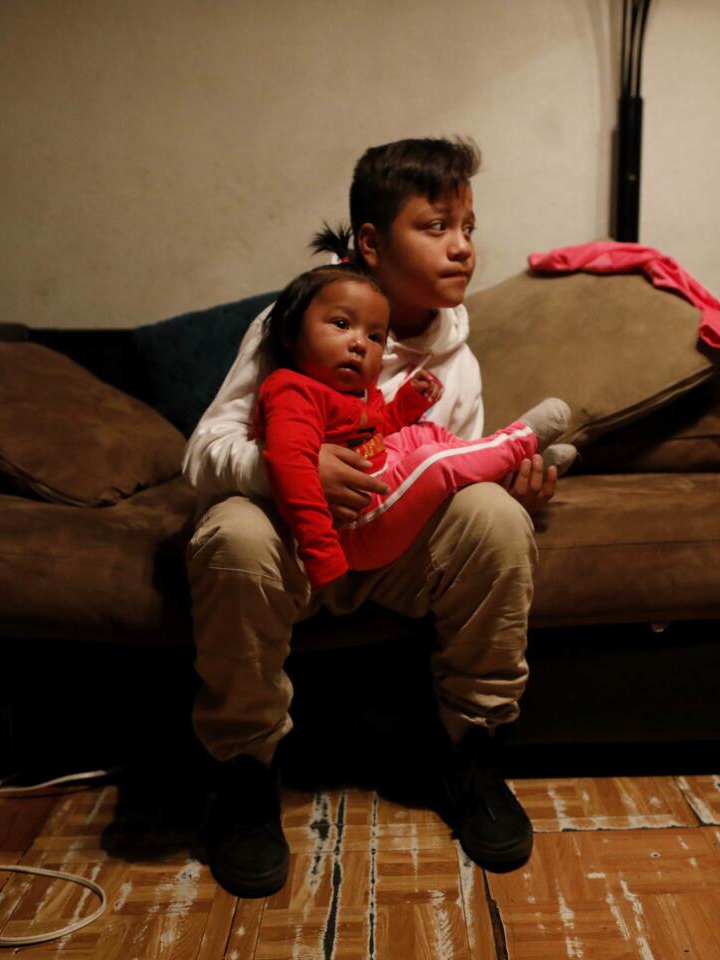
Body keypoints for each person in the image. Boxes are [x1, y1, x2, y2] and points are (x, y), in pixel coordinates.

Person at [183, 137, 560, 898]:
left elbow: (444, 465)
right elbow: (202, 454)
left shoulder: (456, 354)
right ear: (370, 242)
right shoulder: (292, 321)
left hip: (391, 547)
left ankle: (471, 755)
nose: (463, 247)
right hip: (295, 544)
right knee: (230, 533)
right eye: (436, 226)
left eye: (469, 227)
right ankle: (246, 775)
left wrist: (510, 488)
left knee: (492, 514)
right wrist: (291, 469)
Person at [254, 262, 574, 588]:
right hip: (354, 525)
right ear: (290, 333)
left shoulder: (357, 393)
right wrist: (321, 551)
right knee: (431, 463)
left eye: (375, 336)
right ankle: (520, 440)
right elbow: (290, 466)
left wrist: (408, 404)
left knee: (422, 434)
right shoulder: (292, 390)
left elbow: (378, 431)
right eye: (341, 324)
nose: (359, 343)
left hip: (378, 487)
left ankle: (514, 472)